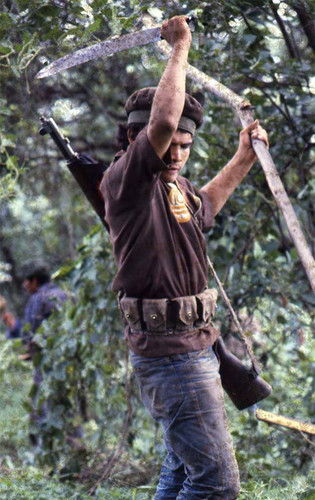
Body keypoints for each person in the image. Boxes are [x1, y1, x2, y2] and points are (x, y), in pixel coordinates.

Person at [100, 15, 269, 500]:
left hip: (197, 345)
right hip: (172, 358)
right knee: (216, 486)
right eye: (166, 145)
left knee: (181, 473)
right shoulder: (127, 181)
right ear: (135, 141)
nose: (175, 153)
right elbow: (164, 120)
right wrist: (181, 46)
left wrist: (243, 157)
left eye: (185, 146)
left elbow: (207, 206)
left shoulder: (176, 189)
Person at [1, 260, 67, 439]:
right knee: (68, 410)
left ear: (35, 281)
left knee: (41, 412)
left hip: (47, 366)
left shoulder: (38, 299)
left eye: (26, 282)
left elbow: (30, 337)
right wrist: (13, 325)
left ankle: (46, 453)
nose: (24, 286)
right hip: (69, 365)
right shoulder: (63, 295)